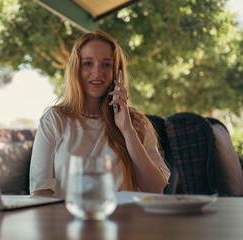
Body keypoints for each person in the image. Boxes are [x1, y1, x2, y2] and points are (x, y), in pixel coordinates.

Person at [30, 30, 170, 197]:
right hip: (69, 219)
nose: (97, 72)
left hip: (125, 220)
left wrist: (127, 130)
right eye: (88, 63)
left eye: (106, 64)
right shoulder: (54, 120)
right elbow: (40, 190)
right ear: (76, 69)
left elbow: (155, 189)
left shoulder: (135, 122)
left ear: (117, 73)